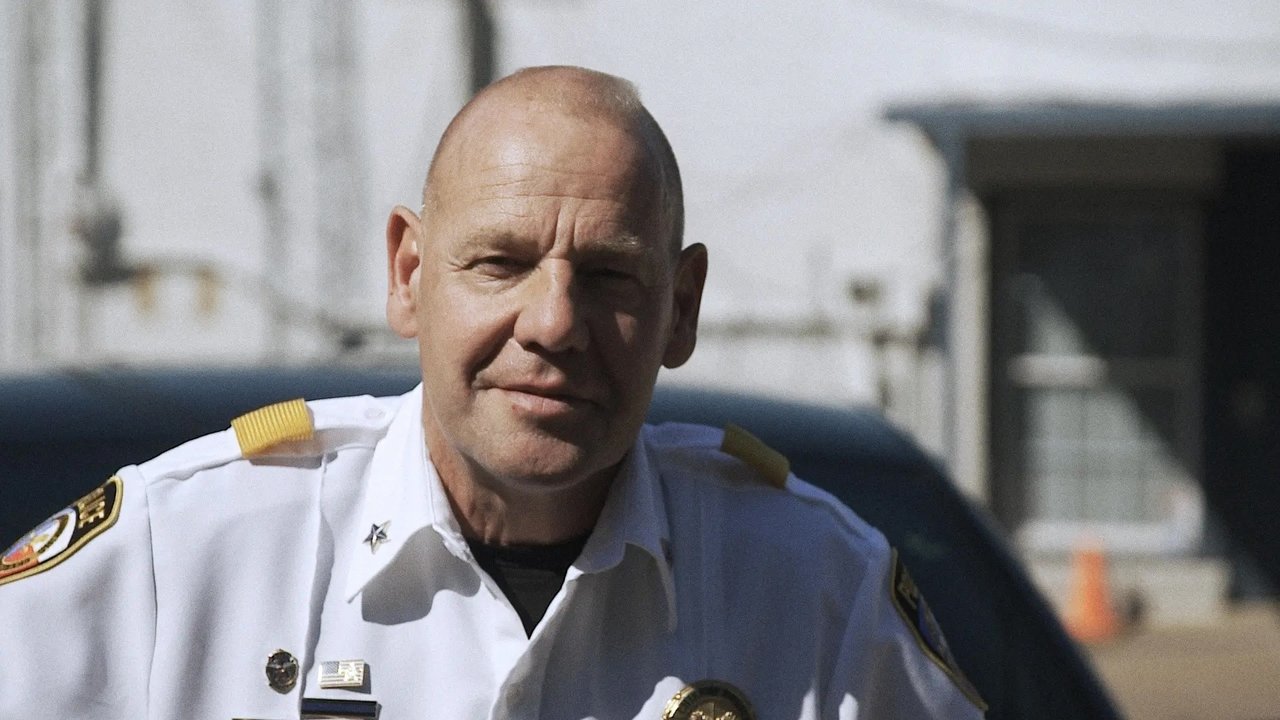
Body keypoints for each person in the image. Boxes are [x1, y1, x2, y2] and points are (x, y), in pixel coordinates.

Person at [0, 66, 984, 719]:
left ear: (680, 308)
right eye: (500, 263)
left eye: (608, 275)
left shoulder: (818, 591)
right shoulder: (179, 560)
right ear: (408, 275)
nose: (553, 323)